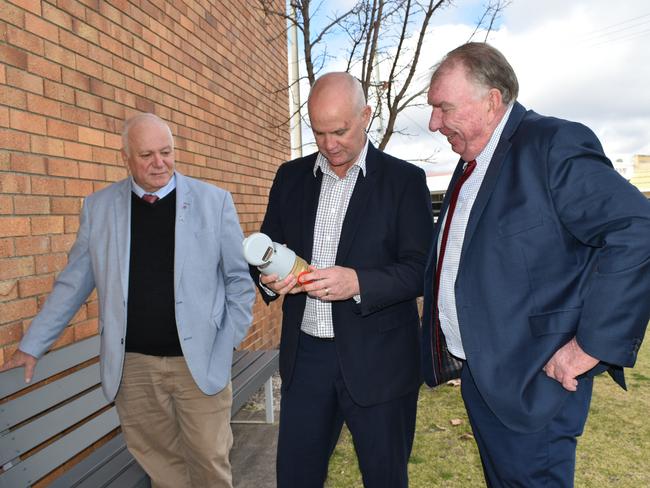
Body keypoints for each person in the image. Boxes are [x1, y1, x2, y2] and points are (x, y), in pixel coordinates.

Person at [421, 42, 650, 487]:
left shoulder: (551, 144)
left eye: (443, 108)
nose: (433, 123)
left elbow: (636, 231)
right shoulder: (471, 163)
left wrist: (590, 346)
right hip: (484, 379)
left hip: (535, 385)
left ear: (491, 101)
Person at [0, 113, 256, 488]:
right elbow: (73, 284)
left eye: (166, 152)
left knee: (210, 465)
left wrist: (227, 340)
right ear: (126, 157)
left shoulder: (214, 202)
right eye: (147, 155)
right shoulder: (99, 208)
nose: (159, 163)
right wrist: (32, 345)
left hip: (200, 363)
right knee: (163, 471)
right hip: (133, 369)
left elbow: (238, 281)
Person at [252, 72, 433, 487]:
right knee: (295, 478)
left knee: (385, 478)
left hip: (381, 361)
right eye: (318, 132)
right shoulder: (290, 177)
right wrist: (269, 277)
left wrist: (359, 282)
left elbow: (421, 270)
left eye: (340, 130)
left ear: (366, 115)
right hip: (307, 360)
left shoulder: (404, 181)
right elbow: (265, 250)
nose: (330, 144)